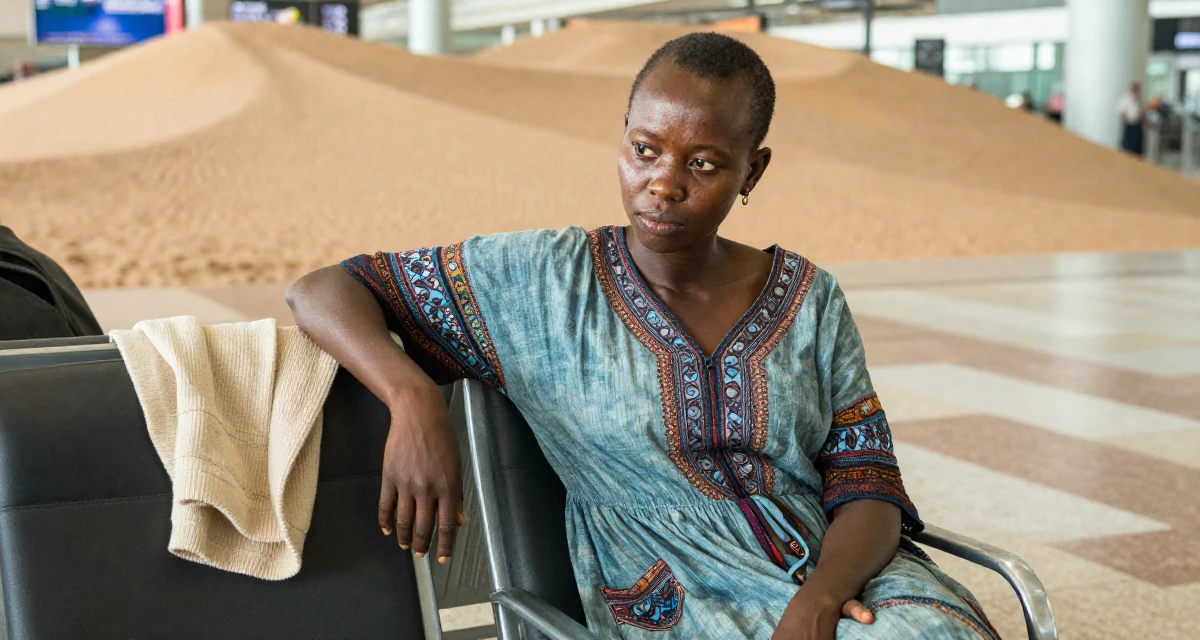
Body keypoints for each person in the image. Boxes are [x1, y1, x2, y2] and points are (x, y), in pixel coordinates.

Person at [287, 33, 995, 639]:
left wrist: (818, 601)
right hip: (670, 592)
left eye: (704, 163)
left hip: (842, 578)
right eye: (645, 149)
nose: (663, 183)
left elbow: (867, 481)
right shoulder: (540, 281)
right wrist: (410, 396)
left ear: (754, 169)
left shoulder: (810, 297)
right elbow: (322, 289)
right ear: (623, 135)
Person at [1118, 82, 1144, 155]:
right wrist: (1126, 120)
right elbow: (1121, 112)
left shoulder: (1138, 100)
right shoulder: (1126, 99)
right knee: (1128, 148)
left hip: (1137, 125)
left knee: (1137, 148)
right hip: (1129, 125)